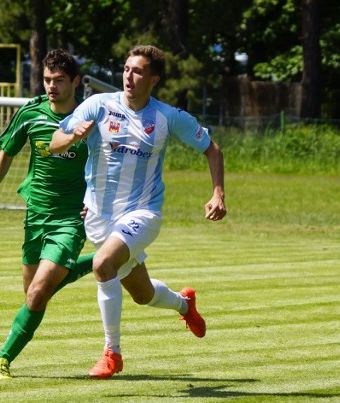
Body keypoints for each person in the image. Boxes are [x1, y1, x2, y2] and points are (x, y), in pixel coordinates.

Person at [50, 45, 227, 379]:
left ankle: (111, 353)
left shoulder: (167, 117)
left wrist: (217, 193)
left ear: (154, 79)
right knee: (143, 295)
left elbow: (212, 149)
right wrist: (73, 136)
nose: (130, 77)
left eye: (139, 71)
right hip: (100, 219)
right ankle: (184, 304)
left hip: (143, 214)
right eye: (127, 69)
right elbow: (54, 141)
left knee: (102, 265)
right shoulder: (99, 105)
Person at [0, 49, 95, 380]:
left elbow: (112, 163)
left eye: (59, 80)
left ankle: (2, 358)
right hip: (36, 215)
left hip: (72, 218)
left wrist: (98, 199)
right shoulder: (32, 113)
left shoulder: (92, 118)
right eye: (47, 80)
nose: (51, 86)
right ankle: (101, 261)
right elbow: (5, 154)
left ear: (75, 82)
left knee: (40, 290)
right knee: (33, 295)